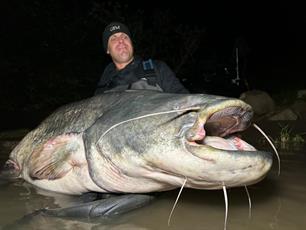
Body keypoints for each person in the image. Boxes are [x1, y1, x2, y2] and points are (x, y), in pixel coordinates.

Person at [94, 22, 189, 94]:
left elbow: (185, 102)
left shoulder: (156, 68)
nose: (121, 40)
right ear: (107, 50)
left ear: (131, 44)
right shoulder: (103, 87)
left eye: (125, 37)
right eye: (114, 38)